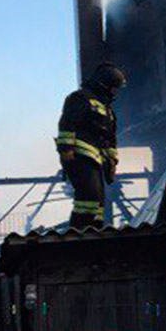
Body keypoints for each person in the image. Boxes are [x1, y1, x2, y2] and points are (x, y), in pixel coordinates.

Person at [55, 62, 126, 229]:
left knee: (99, 200)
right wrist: (66, 149)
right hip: (79, 156)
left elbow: (110, 139)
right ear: (104, 85)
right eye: (114, 88)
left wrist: (112, 162)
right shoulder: (79, 98)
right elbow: (68, 123)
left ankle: (94, 230)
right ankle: (78, 233)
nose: (115, 92)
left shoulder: (108, 111)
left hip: (96, 160)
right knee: (89, 197)